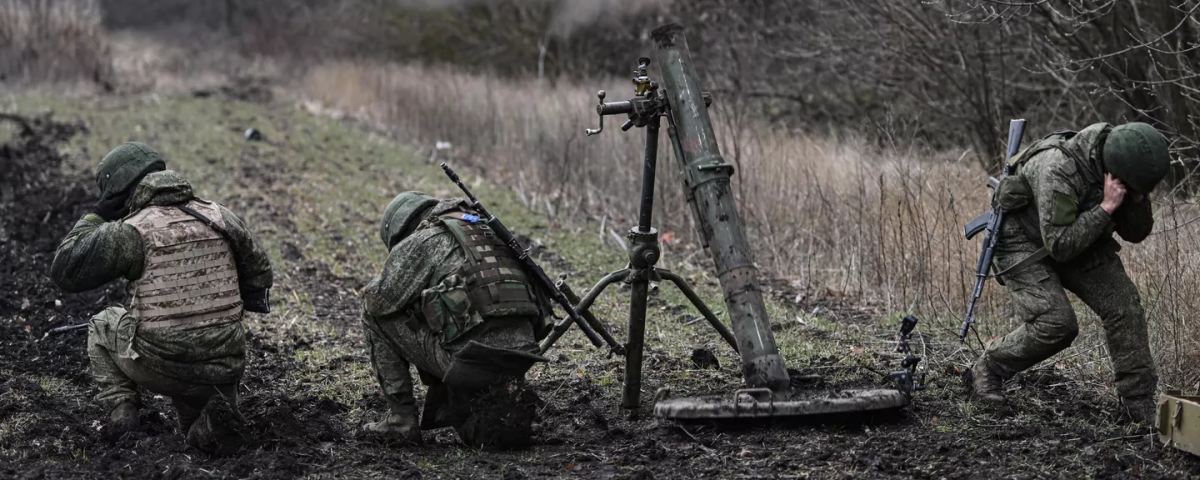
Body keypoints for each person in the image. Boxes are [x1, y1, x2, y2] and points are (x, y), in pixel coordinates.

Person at [50, 142, 273, 453]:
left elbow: (66, 269)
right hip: (224, 366)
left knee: (102, 325)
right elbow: (261, 275)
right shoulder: (219, 215)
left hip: (164, 365)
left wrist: (97, 215)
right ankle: (208, 427)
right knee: (195, 429)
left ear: (118, 194)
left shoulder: (131, 231)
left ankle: (123, 416)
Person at [970, 122, 1170, 424]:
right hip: (1021, 238)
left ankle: (1137, 404)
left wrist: (1137, 200)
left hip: (1078, 231)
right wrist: (1105, 208)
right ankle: (989, 367)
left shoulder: (1123, 170)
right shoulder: (1060, 169)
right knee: (1057, 324)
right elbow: (1061, 246)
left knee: (1124, 306)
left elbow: (1135, 233)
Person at [360, 191, 551, 449]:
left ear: (400, 231)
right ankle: (492, 401)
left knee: (372, 314)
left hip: (473, 359)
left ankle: (400, 421)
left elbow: (379, 301)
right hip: (523, 354)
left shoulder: (421, 240)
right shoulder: (485, 227)